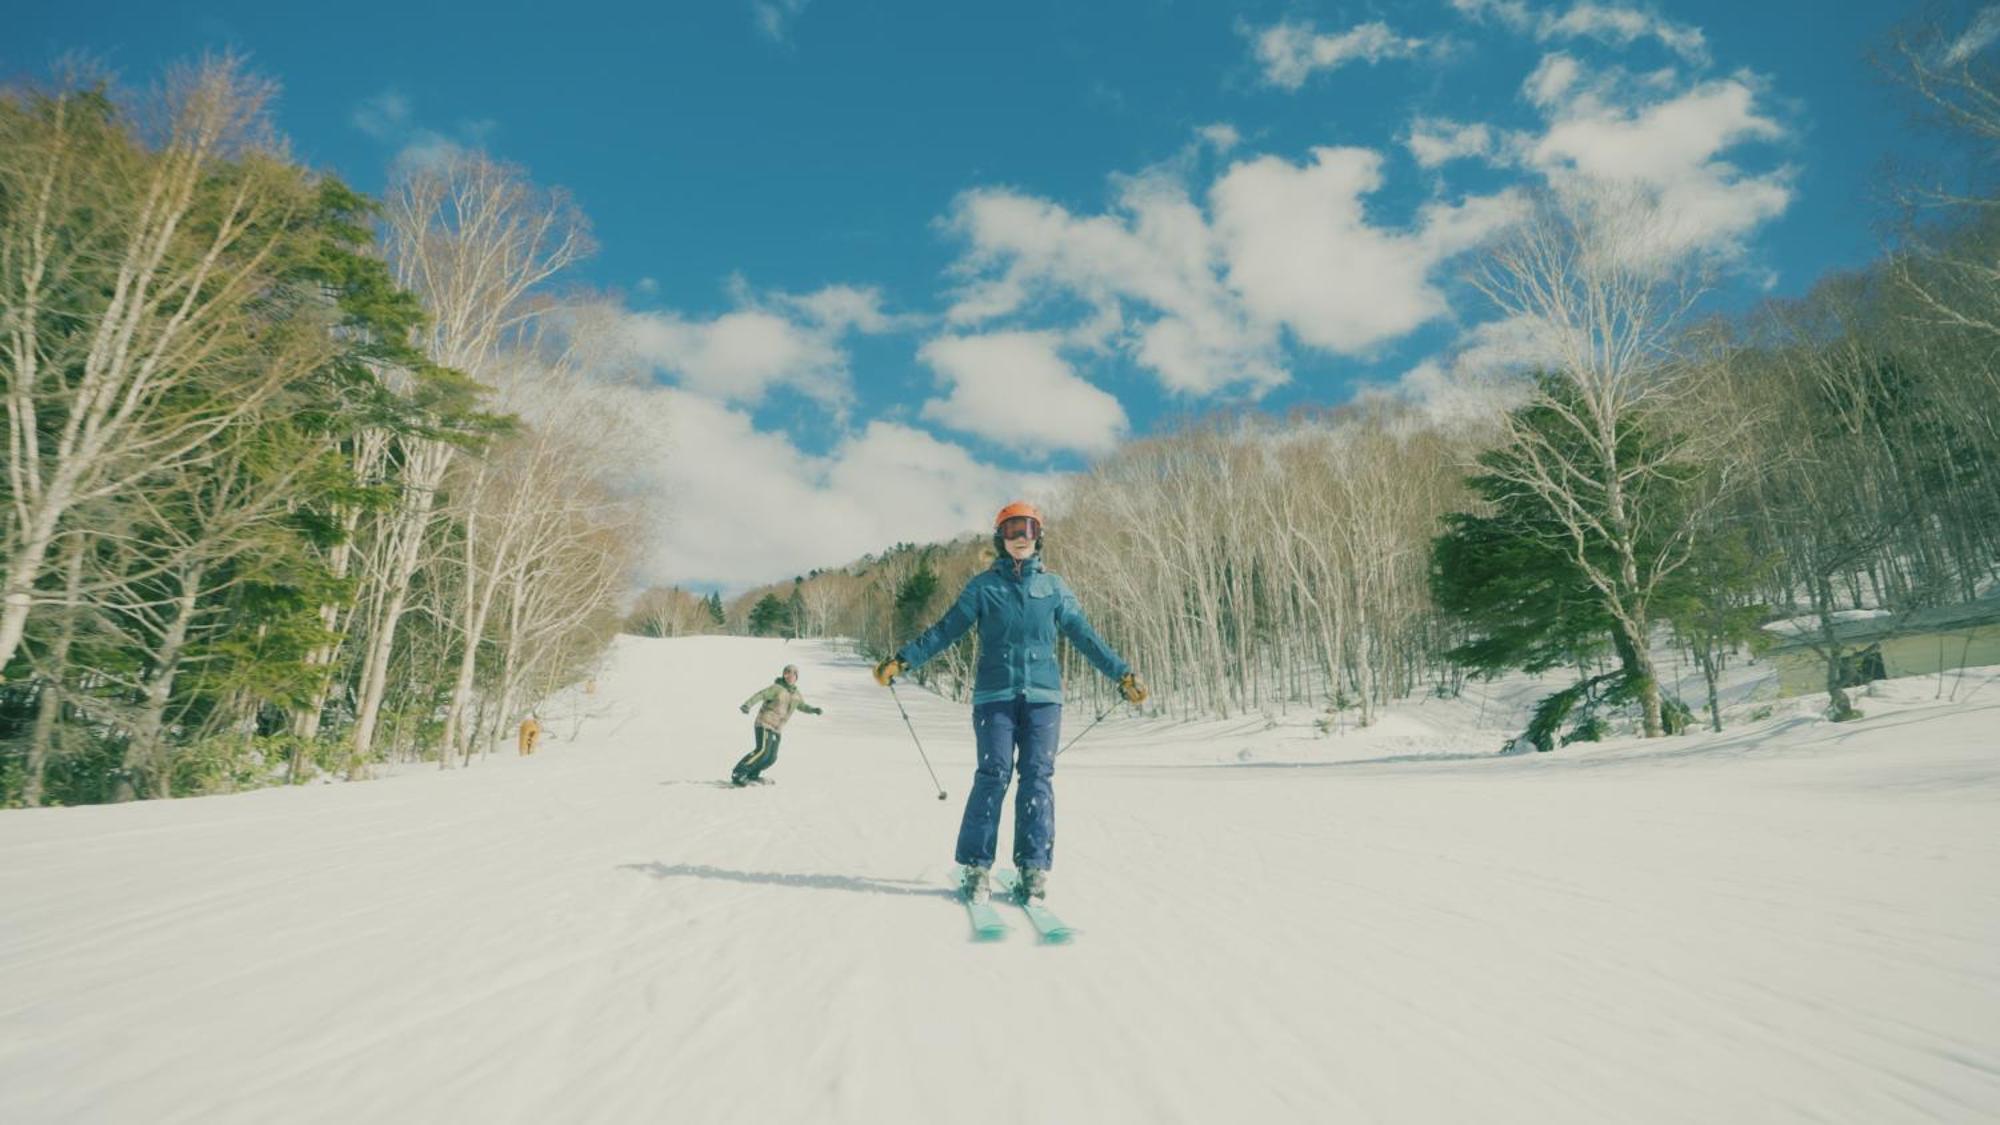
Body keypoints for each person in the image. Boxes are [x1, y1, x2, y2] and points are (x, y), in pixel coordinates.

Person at [873, 501, 1147, 905]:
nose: (1021, 537)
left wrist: (1122, 673)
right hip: (994, 697)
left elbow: (1086, 637)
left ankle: (1033, 870)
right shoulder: (983, 588)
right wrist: (902, 661)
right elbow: (945, 630)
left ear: (1039, 537)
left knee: (1037, 777)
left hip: (1043, 699)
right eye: (1012, 529)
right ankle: (976, 869)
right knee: (993, 773)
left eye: (1028, 529)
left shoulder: (1054, 588)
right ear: (1000, 538)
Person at [730, 664, 823, 786]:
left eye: (793, 674)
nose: (789, 676)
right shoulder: (776, 688)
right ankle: (739, 773)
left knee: (771, 758)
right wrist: (748, 705)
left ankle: (752, 774)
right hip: (764, 723)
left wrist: (813, 710)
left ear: (796, 677)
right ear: (783, 675)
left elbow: (802, 706)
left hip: (777, 729)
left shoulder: (796, 694)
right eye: (787, 673)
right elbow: (761, 695)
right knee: (762, 751)